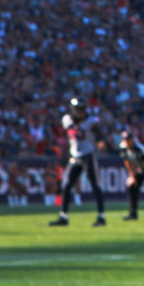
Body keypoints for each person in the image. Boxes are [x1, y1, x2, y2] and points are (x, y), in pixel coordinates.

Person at [49, 97, 107, 227]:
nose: (80, 112)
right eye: (78, 109)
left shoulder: (91, 121)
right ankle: (63, 216)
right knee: (66, 184)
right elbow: (67, 135)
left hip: (88, 155)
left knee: (95, 185)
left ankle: (101, 217)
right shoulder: (67, 119)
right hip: (75, 156)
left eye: (82, 109)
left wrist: (101, 142)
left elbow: (100, 135)